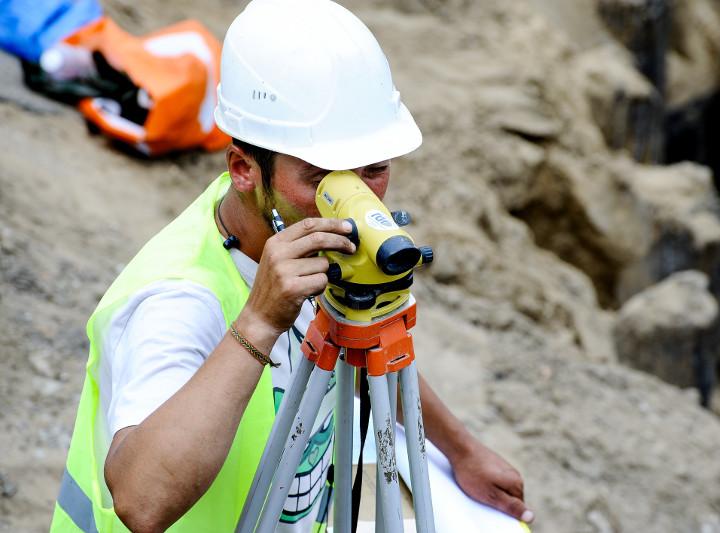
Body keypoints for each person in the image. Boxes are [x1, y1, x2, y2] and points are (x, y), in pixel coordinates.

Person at [50, 0, 534, 531]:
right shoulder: (178, 300)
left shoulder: (281, 219)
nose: (352, 202)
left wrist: (461, 450)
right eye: (322, 177)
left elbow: (374, 345)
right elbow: (142, 503)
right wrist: (258, 321)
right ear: (244, 168)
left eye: (372, 169)